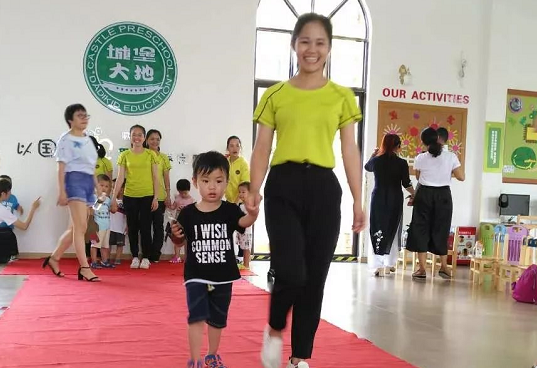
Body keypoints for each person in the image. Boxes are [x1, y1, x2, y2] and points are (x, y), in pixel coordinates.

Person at [248, 13, 366, 368]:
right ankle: (273, 327)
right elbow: (261, 147)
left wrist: (359, 200)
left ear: (329, 48)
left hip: (324, 189)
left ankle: (300, 356)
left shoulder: (342, 97)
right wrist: (253, 190)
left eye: (319, 42)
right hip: (283, 185)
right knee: (291, 270)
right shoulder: (275, 94)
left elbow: (349, 151)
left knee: (315, 278)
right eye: (305, 41)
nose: (311, 49)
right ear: (294, 44)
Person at [170, 151, 258, 368]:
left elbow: (244, 222)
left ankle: (211, 354)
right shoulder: (188, 213)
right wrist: (176, 236)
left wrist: (253, 213)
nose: (212, 187)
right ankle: (195, 359)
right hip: (196, 276)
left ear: (226, 182)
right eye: (206, 181)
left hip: (223, 276)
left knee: (218, 318)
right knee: (197, 315)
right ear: (195, 182)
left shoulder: (229, 210)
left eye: (218, 181)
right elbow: (180, 242)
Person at [43, 104, 100, 282]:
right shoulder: (65, 139)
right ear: (70, 120)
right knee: (81, 228)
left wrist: (97, 187)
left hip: (87, 183)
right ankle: (84, 267)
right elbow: (61, 167)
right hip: (73, 181)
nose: (84, 118)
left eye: (85, 115)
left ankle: (54, 258)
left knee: (76, 227)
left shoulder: (89, 140)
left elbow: (91, 168)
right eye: (79, 115)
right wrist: (62, 191)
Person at [406, 127, 465, 280]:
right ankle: (444, 268)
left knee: (421, 229)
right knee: (442, 228)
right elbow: (461, 177)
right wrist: (446, 172)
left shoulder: (420, 158)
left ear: (424, 142)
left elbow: (419, 178)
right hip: (443, 195)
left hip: (424, 195)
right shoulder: (451, 156)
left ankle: (422, 269)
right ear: (439, 139)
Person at [365, 134, 415, 277]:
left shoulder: (376, 161)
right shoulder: (401, 163)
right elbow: (406, 183)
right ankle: (389, 263)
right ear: (398, 146)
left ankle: (377, 265)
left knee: (378, 227)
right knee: (392, 228)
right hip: (394, 199)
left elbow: (367, 167)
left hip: (378, 198)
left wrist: (373, 154)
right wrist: (415, 193)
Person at [111, 125, 159, 270]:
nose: (137, 138)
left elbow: (156, 177)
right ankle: (134, 256)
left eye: (140, 135)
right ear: (130, 137)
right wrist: (113, 198)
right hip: (130, 196)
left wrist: (156, 197)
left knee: (145, 228)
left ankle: (145, 257)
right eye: (134, 135)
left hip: (147, 196)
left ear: (144, 138)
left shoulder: (151, 155)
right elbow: (120, 178)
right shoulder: (124, 155)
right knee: (132, 228)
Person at [144, 129, 172, 263]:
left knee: (158, 226)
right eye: (152, 139)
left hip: (160, 197)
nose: (155, 141)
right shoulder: (142, 155)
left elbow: (166, 177)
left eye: (157, 139)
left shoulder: (163, 157)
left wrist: (168, 194)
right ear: (146, 140)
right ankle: (146, 254)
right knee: (145, 226)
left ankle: (155, 255)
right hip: (144, 196)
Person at [0, 179, 40, 263]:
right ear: (3, 193)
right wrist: (33, 208)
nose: (10, 193)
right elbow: (24, 226)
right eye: (9, 191)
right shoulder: (2, 210)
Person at [168, 179, 195, 263]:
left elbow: (194, 212)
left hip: (188, 223)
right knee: (177, 239)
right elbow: (173, 207)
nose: (183, 195)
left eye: (185, 193)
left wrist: (186, 209)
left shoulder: (192, 200)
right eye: (181, 193)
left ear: (189, 190)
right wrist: (168, 204)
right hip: (178, 222)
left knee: (187, 241)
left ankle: (188, 257)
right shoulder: (178, 198)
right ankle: (177, 256)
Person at [90, 174, 114, 268]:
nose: (104, 188)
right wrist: (100, 200)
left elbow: (111, 210)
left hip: (106, 226)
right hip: (96, 226)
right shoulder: (93, 197)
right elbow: (92, 209)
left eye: (106, 186)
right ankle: (94, 262)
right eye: (101, 185)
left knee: (105, 246)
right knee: (95, 245)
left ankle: (104, 261)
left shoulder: (108, 199)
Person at [0, 175, 24, 261]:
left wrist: (19, 208)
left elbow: (16, 205)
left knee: (10, 237)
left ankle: (13, 254)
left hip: (8, 225)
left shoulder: (12, 198)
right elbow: (24, 226)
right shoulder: (2, 208)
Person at [224, 136, 250, 204]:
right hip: (228, 201)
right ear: (227, 148)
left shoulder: (243, 163)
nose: (235, 148)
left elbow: (245, 184)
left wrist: (237, 202)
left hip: (241, 201)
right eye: (231, 146)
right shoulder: (224, 162)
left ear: (240, 148)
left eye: (237, 146)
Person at [236, 181, 253, 270]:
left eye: (243, 192)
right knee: (242, 246)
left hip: (246, 230)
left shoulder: (249, 204)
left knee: (246, 247)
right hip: (240, 230)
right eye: (239, 192)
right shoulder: (240, 204)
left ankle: (246, 265)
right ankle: (244, 262)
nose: (241, 194)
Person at [110, 179, 127, 265]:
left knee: (120, 244)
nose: (114, 190)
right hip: (110, 227)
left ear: (123, 188)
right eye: (113, 188)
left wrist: (128, 225)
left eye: (116, 187)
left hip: (121, 227)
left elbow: (129, 215)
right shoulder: (109, 200)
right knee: (107, 244)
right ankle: (106, 258)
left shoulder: (126, 201)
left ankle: (118, 258)